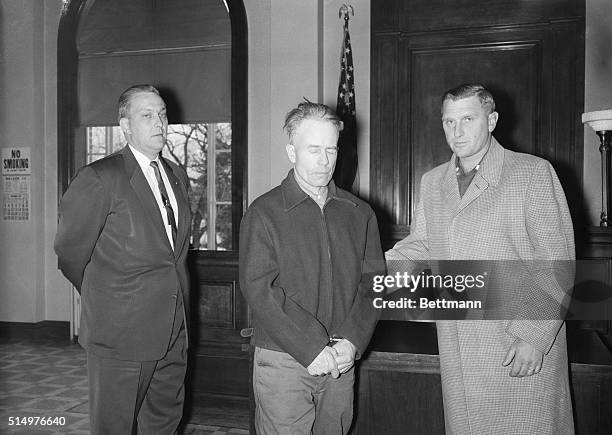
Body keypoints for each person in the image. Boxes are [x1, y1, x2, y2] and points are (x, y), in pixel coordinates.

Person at [386, 84, 575, 434]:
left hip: (515, 343)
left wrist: (533, 336)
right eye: (448, 122)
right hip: (459, 345)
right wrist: (370, 268)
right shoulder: (431, 182)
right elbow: (422, 246)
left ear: (491, 120)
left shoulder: (531, 173)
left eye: (467, 119)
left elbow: (555, 262)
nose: (456, 132)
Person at [239, 101, 384, 434]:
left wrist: (352, 340)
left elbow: (374, 284)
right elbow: (259, 289)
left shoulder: (360, 213)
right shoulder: (264, 213)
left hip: (342, 360)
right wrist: (309, 347)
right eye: (313, 149)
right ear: (292, 152)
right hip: (283, 360)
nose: (324, 161)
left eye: (331, 150)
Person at [54, 84, 192, 434]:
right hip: (120, 336)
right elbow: (70, 254)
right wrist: (110, 303)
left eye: (162, 113)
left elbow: (173, 256)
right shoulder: (100, 178)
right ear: (126, 127)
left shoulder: (176, 177)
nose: (159, 121)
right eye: (147, 115)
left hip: (174, 330)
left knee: (164, 424)